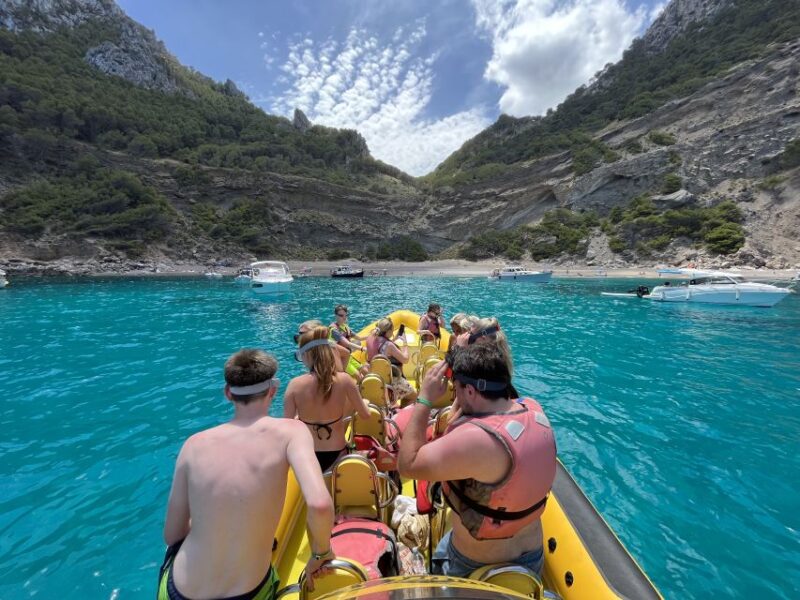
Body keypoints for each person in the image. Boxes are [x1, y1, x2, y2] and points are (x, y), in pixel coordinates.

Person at [159, 349, 335, 600]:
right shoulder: (291, 432)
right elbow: (319, 503)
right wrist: (321, 553)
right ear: (273, 390)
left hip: (177, 590)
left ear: (228, 393)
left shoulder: (194, 444)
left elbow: (172, 535)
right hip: (248, 592)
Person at [398, 344, 556, 578]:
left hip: (474, 565)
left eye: (457, 389)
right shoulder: (533, 409)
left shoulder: (476, 441)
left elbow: (407, 464)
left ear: (471, 391)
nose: (455, 395)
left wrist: (425, 398)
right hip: (531, 557)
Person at [284, 326, 371, 471]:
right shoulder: (344, 380)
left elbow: (287, 427)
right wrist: (365, 403)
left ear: (306, 355)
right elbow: (365, 415)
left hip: (309, 455)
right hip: (337, 452)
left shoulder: (294, 385)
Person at [366, 317, 417, 404]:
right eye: (392, 331)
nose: (393, 333)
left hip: (377, 378)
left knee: (407, 394)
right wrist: (405, 343)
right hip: (390, 381)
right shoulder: (389, 345)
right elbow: (405, 360)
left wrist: (394, 339)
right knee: (414, 395)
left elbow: (382, 349)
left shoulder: (372, 338)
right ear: (388, 331)